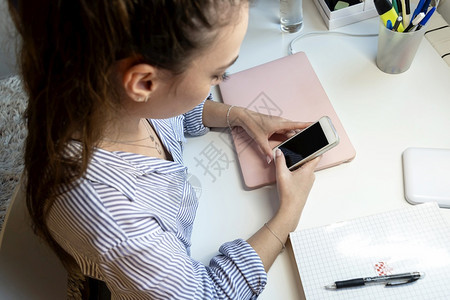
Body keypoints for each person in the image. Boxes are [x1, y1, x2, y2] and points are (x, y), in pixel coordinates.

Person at [8, 0, 321, 299]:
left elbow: (177, 110)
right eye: (216, 74)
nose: (220, 81)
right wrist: (288, 214)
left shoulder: (104, 89)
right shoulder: (114, 218)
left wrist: (238, 116)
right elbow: (207, 295)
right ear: (144, 82)